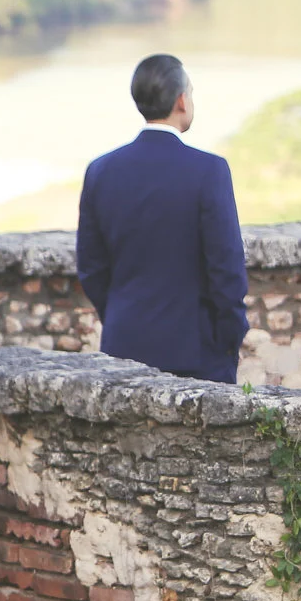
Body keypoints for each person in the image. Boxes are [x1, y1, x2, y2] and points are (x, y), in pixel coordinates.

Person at [76, 54, 249, 384]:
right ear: (182, 101)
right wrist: (230, 337)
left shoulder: (101, 171)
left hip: (123, 345)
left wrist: (119, 317)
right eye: (191, 93)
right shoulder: (208, 170)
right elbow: (226, 269)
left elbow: (91, 268)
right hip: (197, 352)